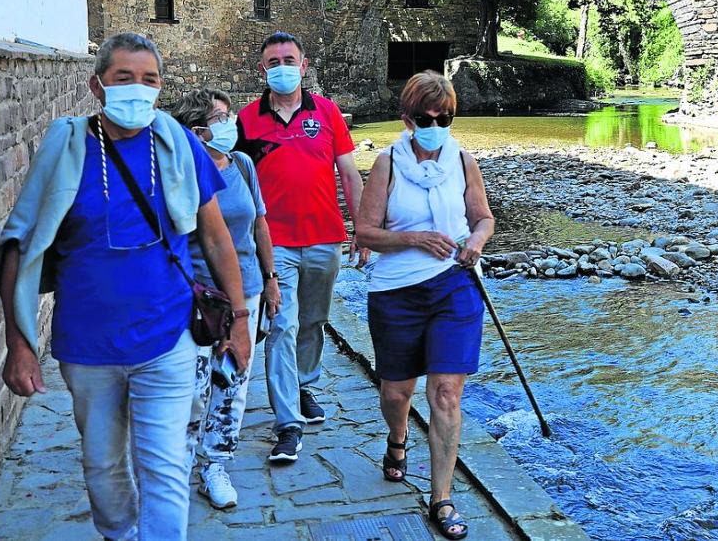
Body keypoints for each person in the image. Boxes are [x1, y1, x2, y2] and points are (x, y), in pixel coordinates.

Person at [0, 33, 251, 541]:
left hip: (168, 337)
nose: (138, 89)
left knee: (165, 465)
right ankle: (119, 534)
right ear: (97, 85)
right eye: (124, 78)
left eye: (149, 79)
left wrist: (240, 322)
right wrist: (18, 344)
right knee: (103, 466)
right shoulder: (66, 147)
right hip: (87, 344)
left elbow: (217, 238)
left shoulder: (178, 144)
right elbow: (20, 245)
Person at [354, 71, 496, 541]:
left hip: (455, 286)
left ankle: (442, 496)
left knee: (446, 394)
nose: (435, 123)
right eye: (425, 117)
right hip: (396, 292)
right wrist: (413, 238)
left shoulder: (464, 160)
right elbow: (366, 233)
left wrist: (475, 241)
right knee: (397, 393)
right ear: (407, 118)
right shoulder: (387, 164)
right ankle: (397, 440)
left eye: (445, 116)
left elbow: (483, 218)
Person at [236, 31, 366, 463]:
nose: (282, 67)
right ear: (262, 70)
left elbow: (349, 173)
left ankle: (302, 383)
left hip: (325, 237)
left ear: (304, 66)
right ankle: (287, 424)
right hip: (275, 245)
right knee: (282, 326)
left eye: (289, 60)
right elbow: (232, 178)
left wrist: (361, 227)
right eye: (273, 61)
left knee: (314, 320)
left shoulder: (328, 113)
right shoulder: (246, 121)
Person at [171, 89, 279, 509]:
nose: (229, 124)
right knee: (194, 387)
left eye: (229, 114)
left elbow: (260, 225)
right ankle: (179, 465)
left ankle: (216, 464)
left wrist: (271, 280)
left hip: (247, 289)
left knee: (233, 380)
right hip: (196, 295)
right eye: (220, 117)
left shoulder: (243, 165)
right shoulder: (179, 172)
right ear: (197, 130)